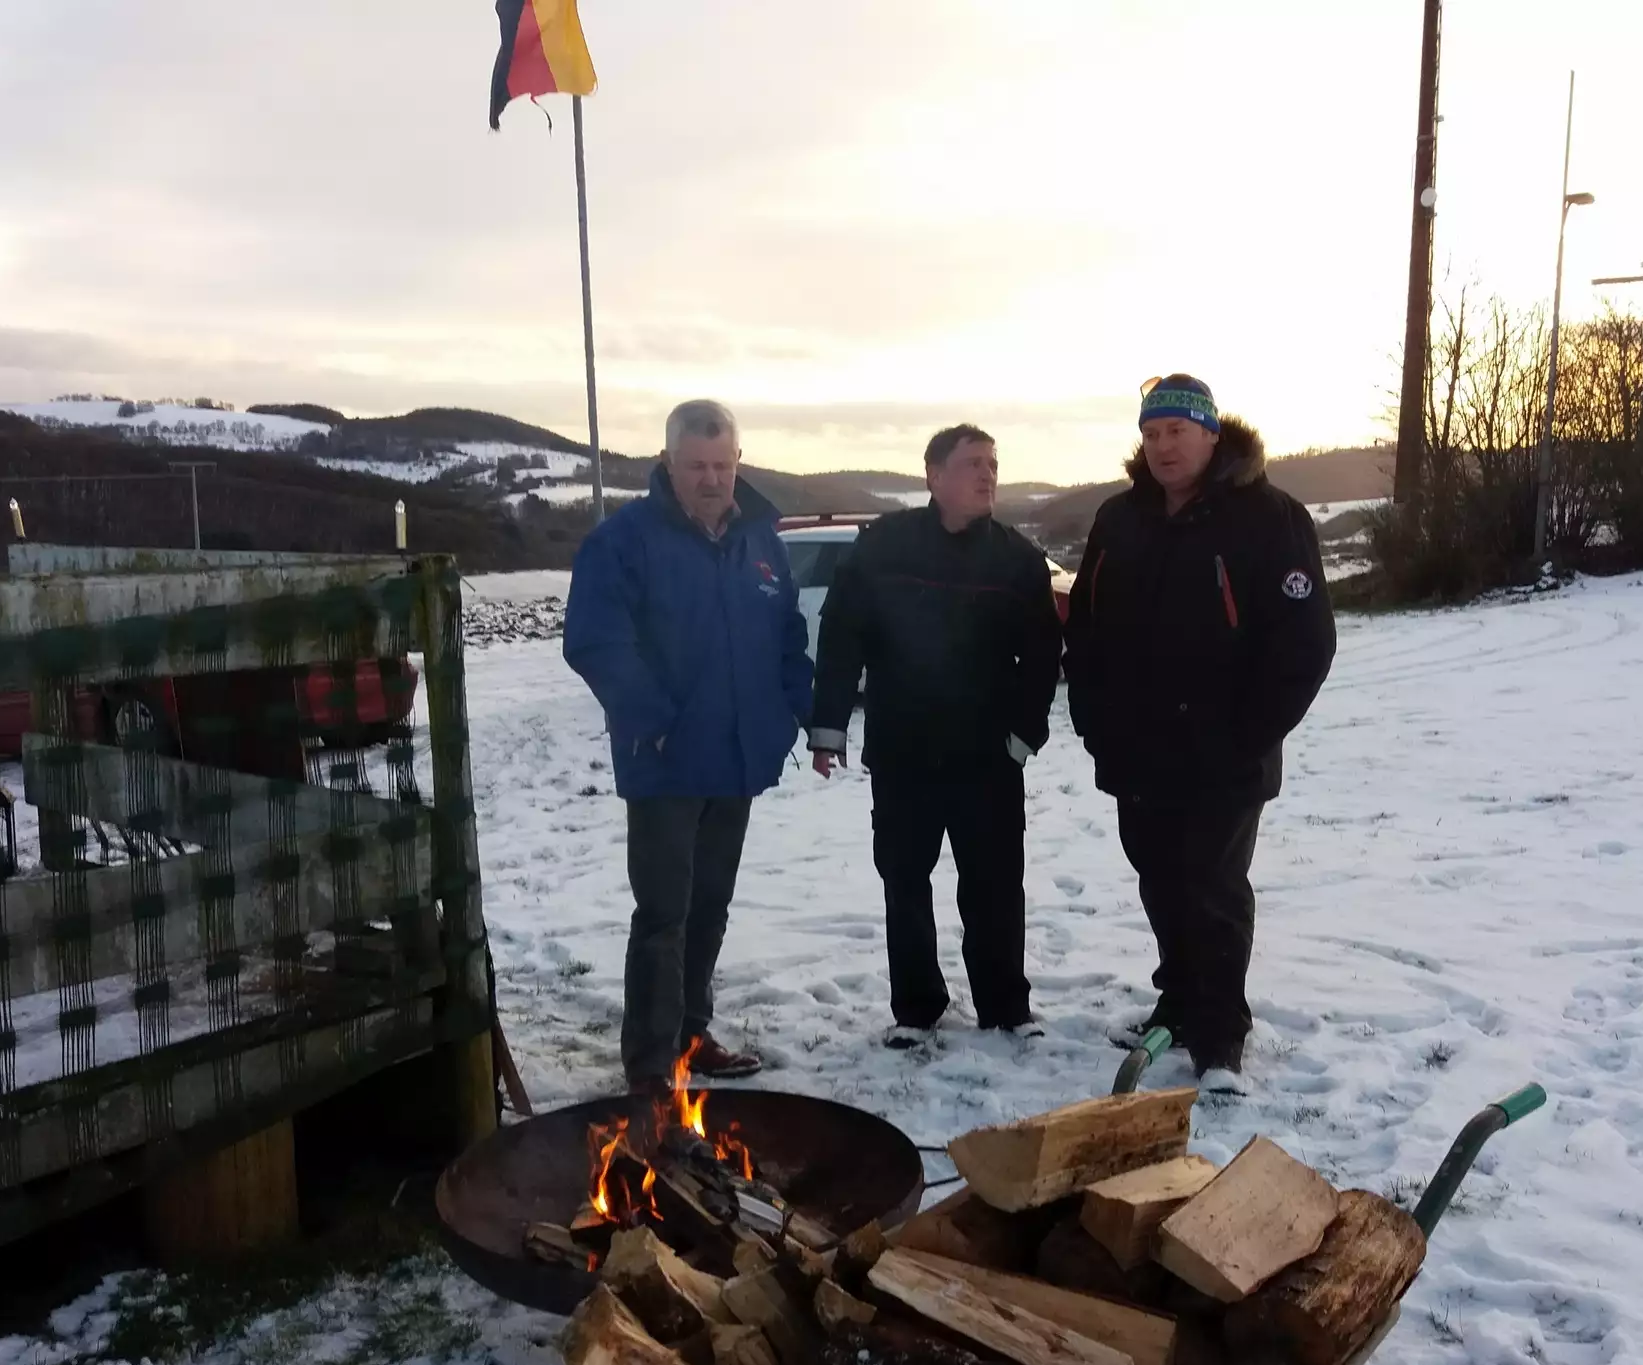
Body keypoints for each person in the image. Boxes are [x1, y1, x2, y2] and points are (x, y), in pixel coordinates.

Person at [1063, 375, 1336, 1082]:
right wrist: (1095, 723)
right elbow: (1084, 628)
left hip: (1225, 755)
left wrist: (1246, 737)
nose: (1163, 446)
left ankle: (1219, 1031)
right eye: (1151, 433)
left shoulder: (1269, 517)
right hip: (1136, 751)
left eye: (1177, 431)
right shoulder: (1120, 518)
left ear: (1212, 434)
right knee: (1160, 881)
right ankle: (1179, 1002)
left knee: (1213, 889)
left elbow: (1304, 645)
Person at [563, 400, 813, 1092]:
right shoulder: (624, 542)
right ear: (668, 463)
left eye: (722, 465)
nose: (711, 479)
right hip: (665, 764)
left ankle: (691, 1036)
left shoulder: (760, 541)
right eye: (697, 465)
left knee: (709, 908)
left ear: (738, 462)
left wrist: (796, 712)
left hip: (736, 759)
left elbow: (788, 637)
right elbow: (595, 640)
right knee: (663, 917)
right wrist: (652, 719)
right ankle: (651, 1064)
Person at [808, 424, 1064, 1047]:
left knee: (995, 886)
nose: (987, 474)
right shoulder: (884, 547)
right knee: (904, 882)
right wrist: (829, 726)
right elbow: (841, 635)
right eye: (973, 463)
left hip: (988, 756)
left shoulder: (1016, 558)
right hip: (904, 751)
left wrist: (1025, 734)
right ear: (934, 475)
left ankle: (1005, 1006)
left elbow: (1042, 654)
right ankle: (917, 1009)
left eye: (993, 464)